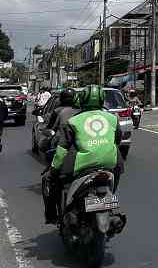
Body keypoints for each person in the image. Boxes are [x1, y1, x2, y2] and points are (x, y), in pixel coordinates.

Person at [42, 85, 124, 224]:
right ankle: (108, 201)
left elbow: (62, 149)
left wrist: (53, 169)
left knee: (52, 180)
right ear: (102, 99)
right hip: (112, 162)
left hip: (82, 164)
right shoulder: (113, 118)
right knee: (117, 172)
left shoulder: (73, 121)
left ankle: (52, 216)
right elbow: (118, 140)